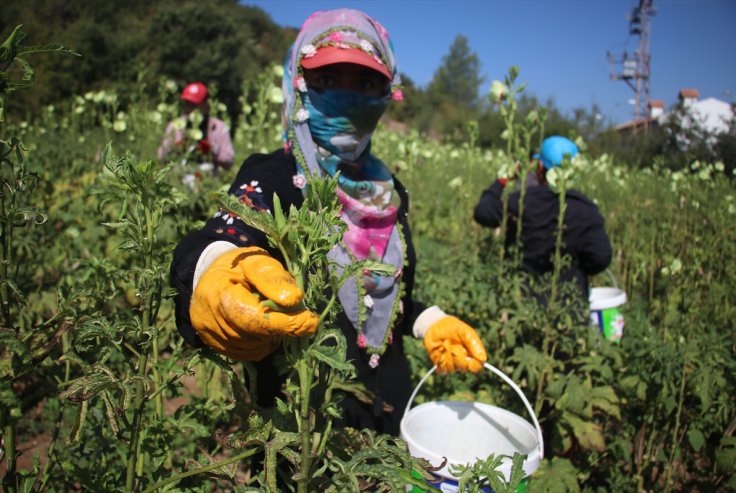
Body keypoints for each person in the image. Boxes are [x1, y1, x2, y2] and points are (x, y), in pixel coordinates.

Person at [170, 9, 487, 436]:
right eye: (326, 81)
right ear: (297, 85)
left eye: (364, 84)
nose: (346, 97)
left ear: (386, 92)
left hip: (389, 404)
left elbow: (387, 295)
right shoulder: (273, 175)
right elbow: (226, 233)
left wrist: (429, 321)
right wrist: (213, 264)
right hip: (304, 420)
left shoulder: (390, 190)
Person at [473, 136, 612, 305]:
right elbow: (601, 258)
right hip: (567, 309)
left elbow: (483, 212)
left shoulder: (522, 201)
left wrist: (502, 180)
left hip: (521, 305)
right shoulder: (586, 209)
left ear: (540, 167)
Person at [158, 81, 235, 173]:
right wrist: (176, 148)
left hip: (207, 178)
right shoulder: (175, 126)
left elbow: (229, 160)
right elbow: (161, 157)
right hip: (180, 175)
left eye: (194, 105)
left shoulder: (218, 127)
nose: (190, 108)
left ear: (206, 105)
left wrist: (210, 152)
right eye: (187, 103)